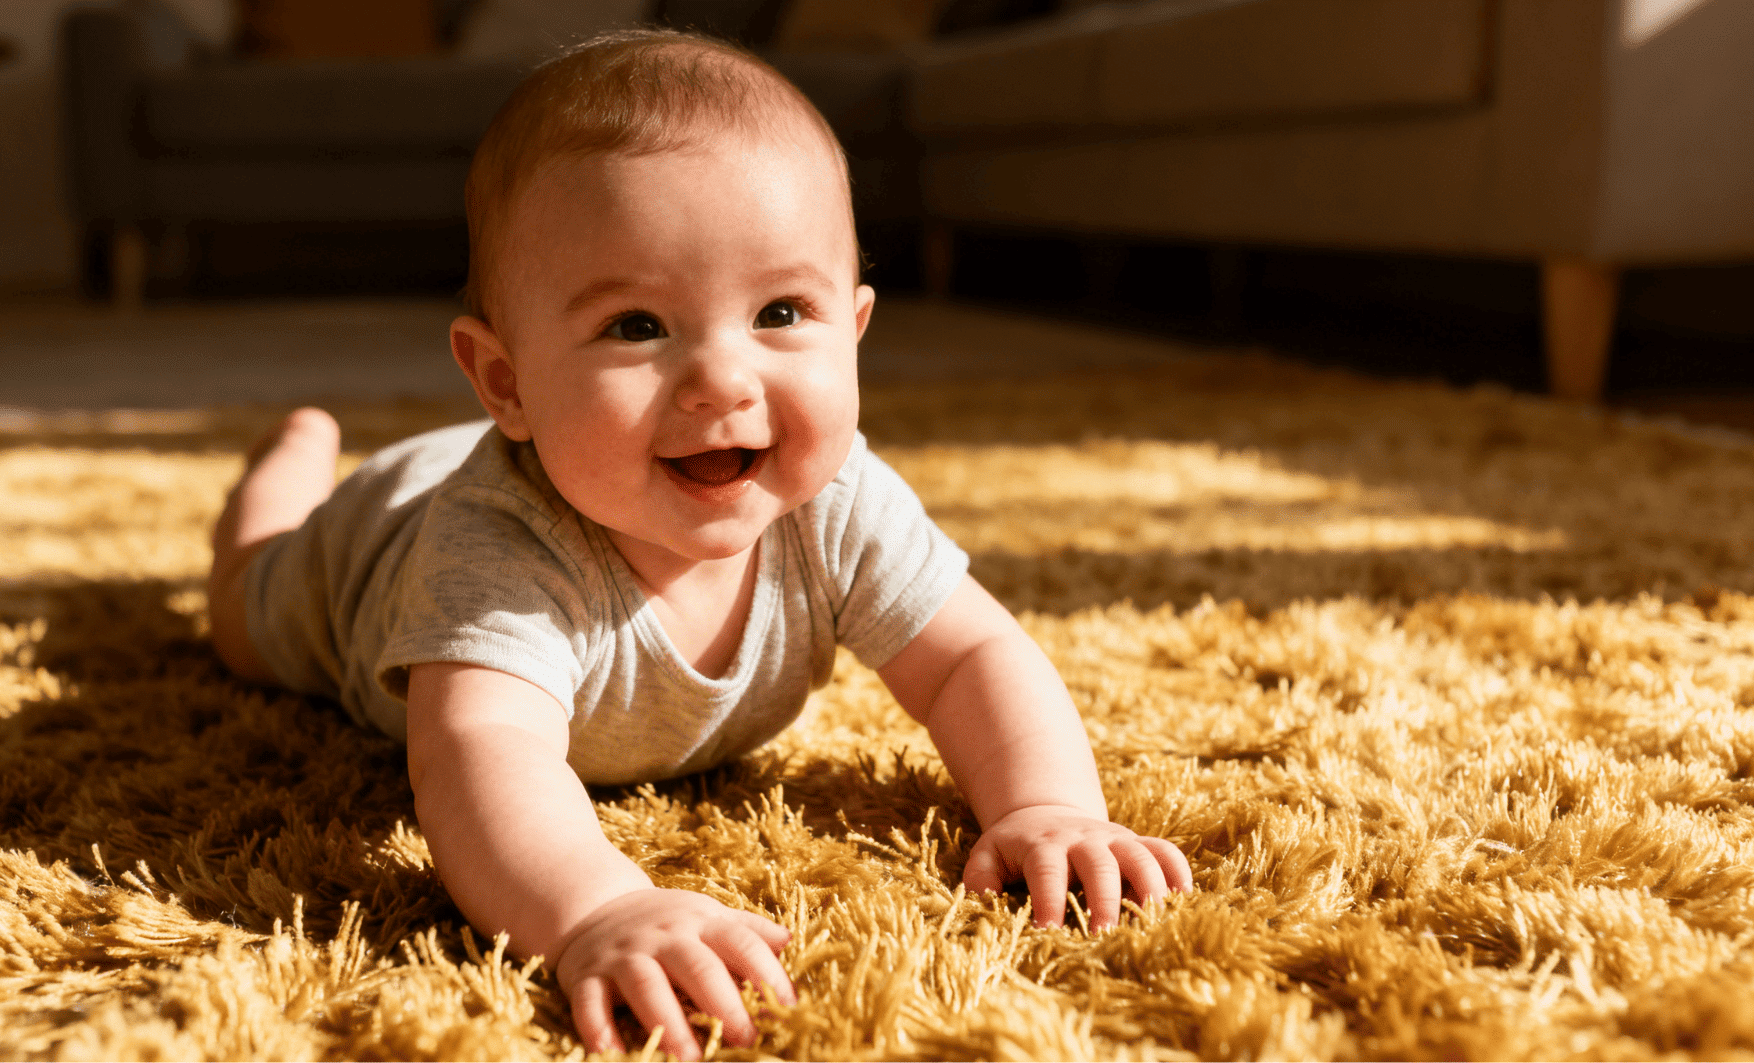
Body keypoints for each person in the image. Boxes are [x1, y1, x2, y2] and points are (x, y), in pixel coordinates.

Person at [204, 29, 1191, 1061]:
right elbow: (476, 753)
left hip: (557, 444)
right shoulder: (496, 551)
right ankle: (282, 478)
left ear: (853, 328)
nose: (724, 380)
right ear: (506, 381)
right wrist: (594, 908)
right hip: (370, 540)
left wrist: (1047, 806)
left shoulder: (837, 500)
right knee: (241, 615)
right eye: (637, 326)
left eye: (779, 312)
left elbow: (972, 657)